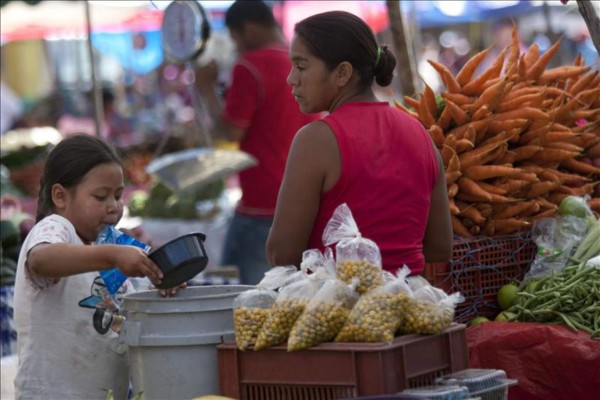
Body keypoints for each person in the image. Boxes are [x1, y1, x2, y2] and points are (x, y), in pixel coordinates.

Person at [266, 11, 453, 275]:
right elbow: (441, 247)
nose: (291, 78)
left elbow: (281, 254)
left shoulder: (316, 140)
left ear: (342, 73)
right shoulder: (421, 133)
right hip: (410, 308)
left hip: (337, 311)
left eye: (301, 66)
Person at [12, 134, 166, 399]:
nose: (114, 208)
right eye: (100, 196)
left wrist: (164, 280)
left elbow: (137, 299)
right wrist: (111, 255)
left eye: (118, 196)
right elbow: (41, 260)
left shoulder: (108, 243)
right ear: (60, 196)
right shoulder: (56, 229)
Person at [195, 1, 319, 284]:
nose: (235, 46)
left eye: (235, 37)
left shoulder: (249, 67)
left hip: (261, 205)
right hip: (305, 201)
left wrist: (205, 88)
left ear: (248, 30)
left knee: (242, 297)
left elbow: (229, 133)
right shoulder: (303, 62)